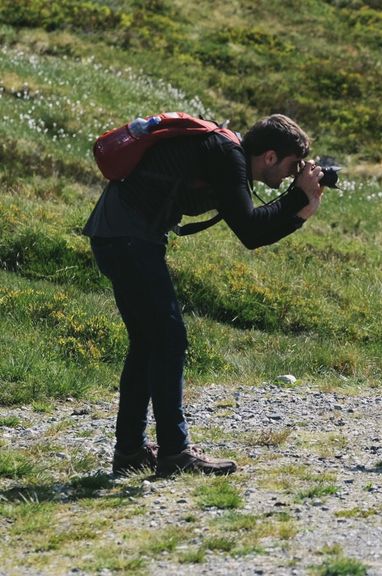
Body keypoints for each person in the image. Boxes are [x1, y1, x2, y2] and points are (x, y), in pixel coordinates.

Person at [83, 114, 324, 477]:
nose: (292, 175)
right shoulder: (227, 155)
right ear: (270, 156)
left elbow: (253, 231)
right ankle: (175, 453)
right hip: (128, 238)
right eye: (292, 167)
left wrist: (298, 212)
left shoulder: (226, 155)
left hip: (119, 234)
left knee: (149, 344)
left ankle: (130, 451)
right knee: (169, 340)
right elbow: (251, 229)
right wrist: (296, 197)